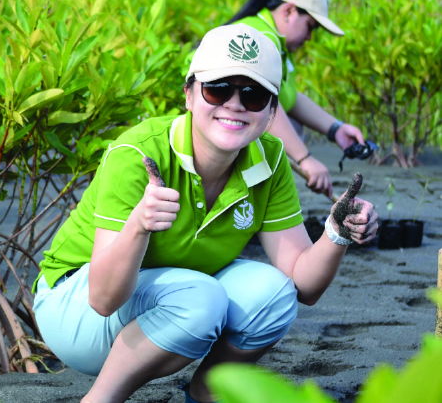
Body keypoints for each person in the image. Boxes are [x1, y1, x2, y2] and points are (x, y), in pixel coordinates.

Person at [32, 24, 378, 403]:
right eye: (217, 89)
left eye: (253, 95)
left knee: (273, 295)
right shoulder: (139, 153)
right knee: (201, 298)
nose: (233, 104)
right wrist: (139, 225)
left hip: (176, 298)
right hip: (77, 309)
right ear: (189, 95)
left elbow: (303, 285)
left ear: (272, 112)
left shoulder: (271, 159)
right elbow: (103, 298)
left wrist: (336, 232)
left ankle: (206, 393)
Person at [226, 0, 366, 198]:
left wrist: (336, 129)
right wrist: (305, 159)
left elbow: (289, 97)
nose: (310, 37)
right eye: (310, 26)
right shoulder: (256, 38)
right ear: (289, 11)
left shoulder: (274, 41)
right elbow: (259, 103)